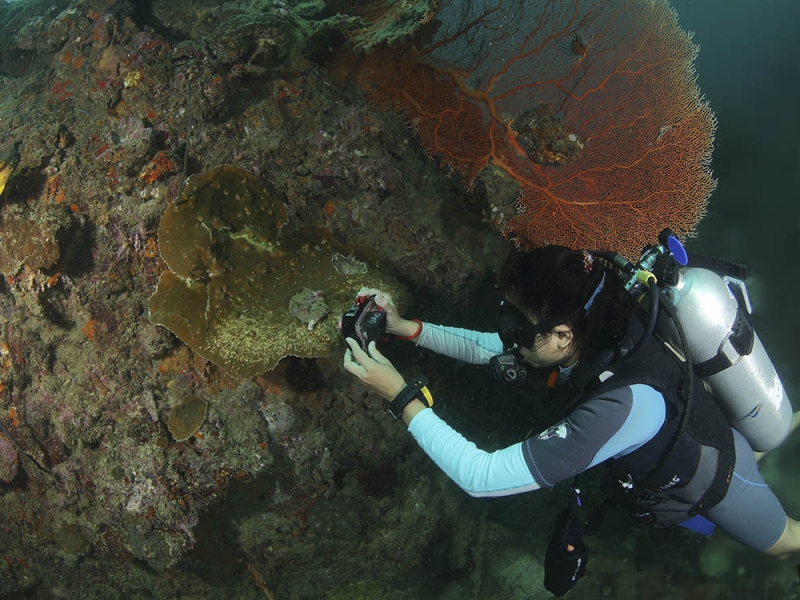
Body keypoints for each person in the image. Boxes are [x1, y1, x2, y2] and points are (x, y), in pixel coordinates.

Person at [342, 245, 800, 567]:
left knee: (784, 542)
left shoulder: (620, 407)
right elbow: (491, 349)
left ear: (562, 335)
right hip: (690, 442)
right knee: (749, 447)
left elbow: (481, 478)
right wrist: (404, 327)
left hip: (717, 481)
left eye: (519, 328)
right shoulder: (603, 323)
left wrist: (401, 396)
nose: (510, 338)